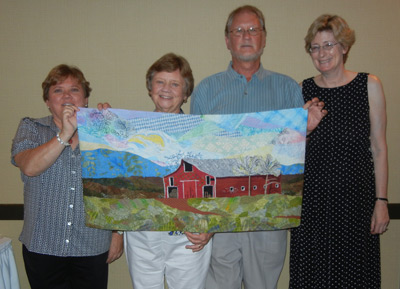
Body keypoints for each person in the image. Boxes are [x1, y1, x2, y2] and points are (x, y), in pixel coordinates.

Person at [190, 5, 326, 289]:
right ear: (227, 40)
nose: (246, 35)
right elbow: (197, 154)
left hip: (270, 213)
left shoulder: (288, 88)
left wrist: (307, 130)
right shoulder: (206, 90)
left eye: (253, 29)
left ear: (264, 38)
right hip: (221, 215)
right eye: (238, 30)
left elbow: (294, 154)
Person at [289, 14, 389, 288]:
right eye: (315, 47)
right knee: (313, 277)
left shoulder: (369, 85)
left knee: (356, 277)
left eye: (329, 45)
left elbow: (379, 148)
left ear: (344, 47)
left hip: (356, 201)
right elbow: (292, 153)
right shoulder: (303, 91)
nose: (322, 53)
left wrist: (381, 201)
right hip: (312, 204)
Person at [99, 53, 213, 289]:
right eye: (160, 82)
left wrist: (210, 229)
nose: (166, 89)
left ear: (185, 92)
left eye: (175, 83)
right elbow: (119, 182)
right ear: (151, 88)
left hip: (189, 236)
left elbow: (216, 184)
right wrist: (103, 126)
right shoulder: (129, 132)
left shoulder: (202, 134)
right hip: (142, 236)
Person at [11, 64, 123, 289]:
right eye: (58, 90)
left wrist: (118, 233)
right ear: (47, 101)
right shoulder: (31, 128)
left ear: (85, 99)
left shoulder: (102, 132)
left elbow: (117, 185)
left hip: (92, 245)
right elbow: (30, 167)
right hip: (43, 245)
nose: (67, 96)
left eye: (74, 90)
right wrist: (65, 133)